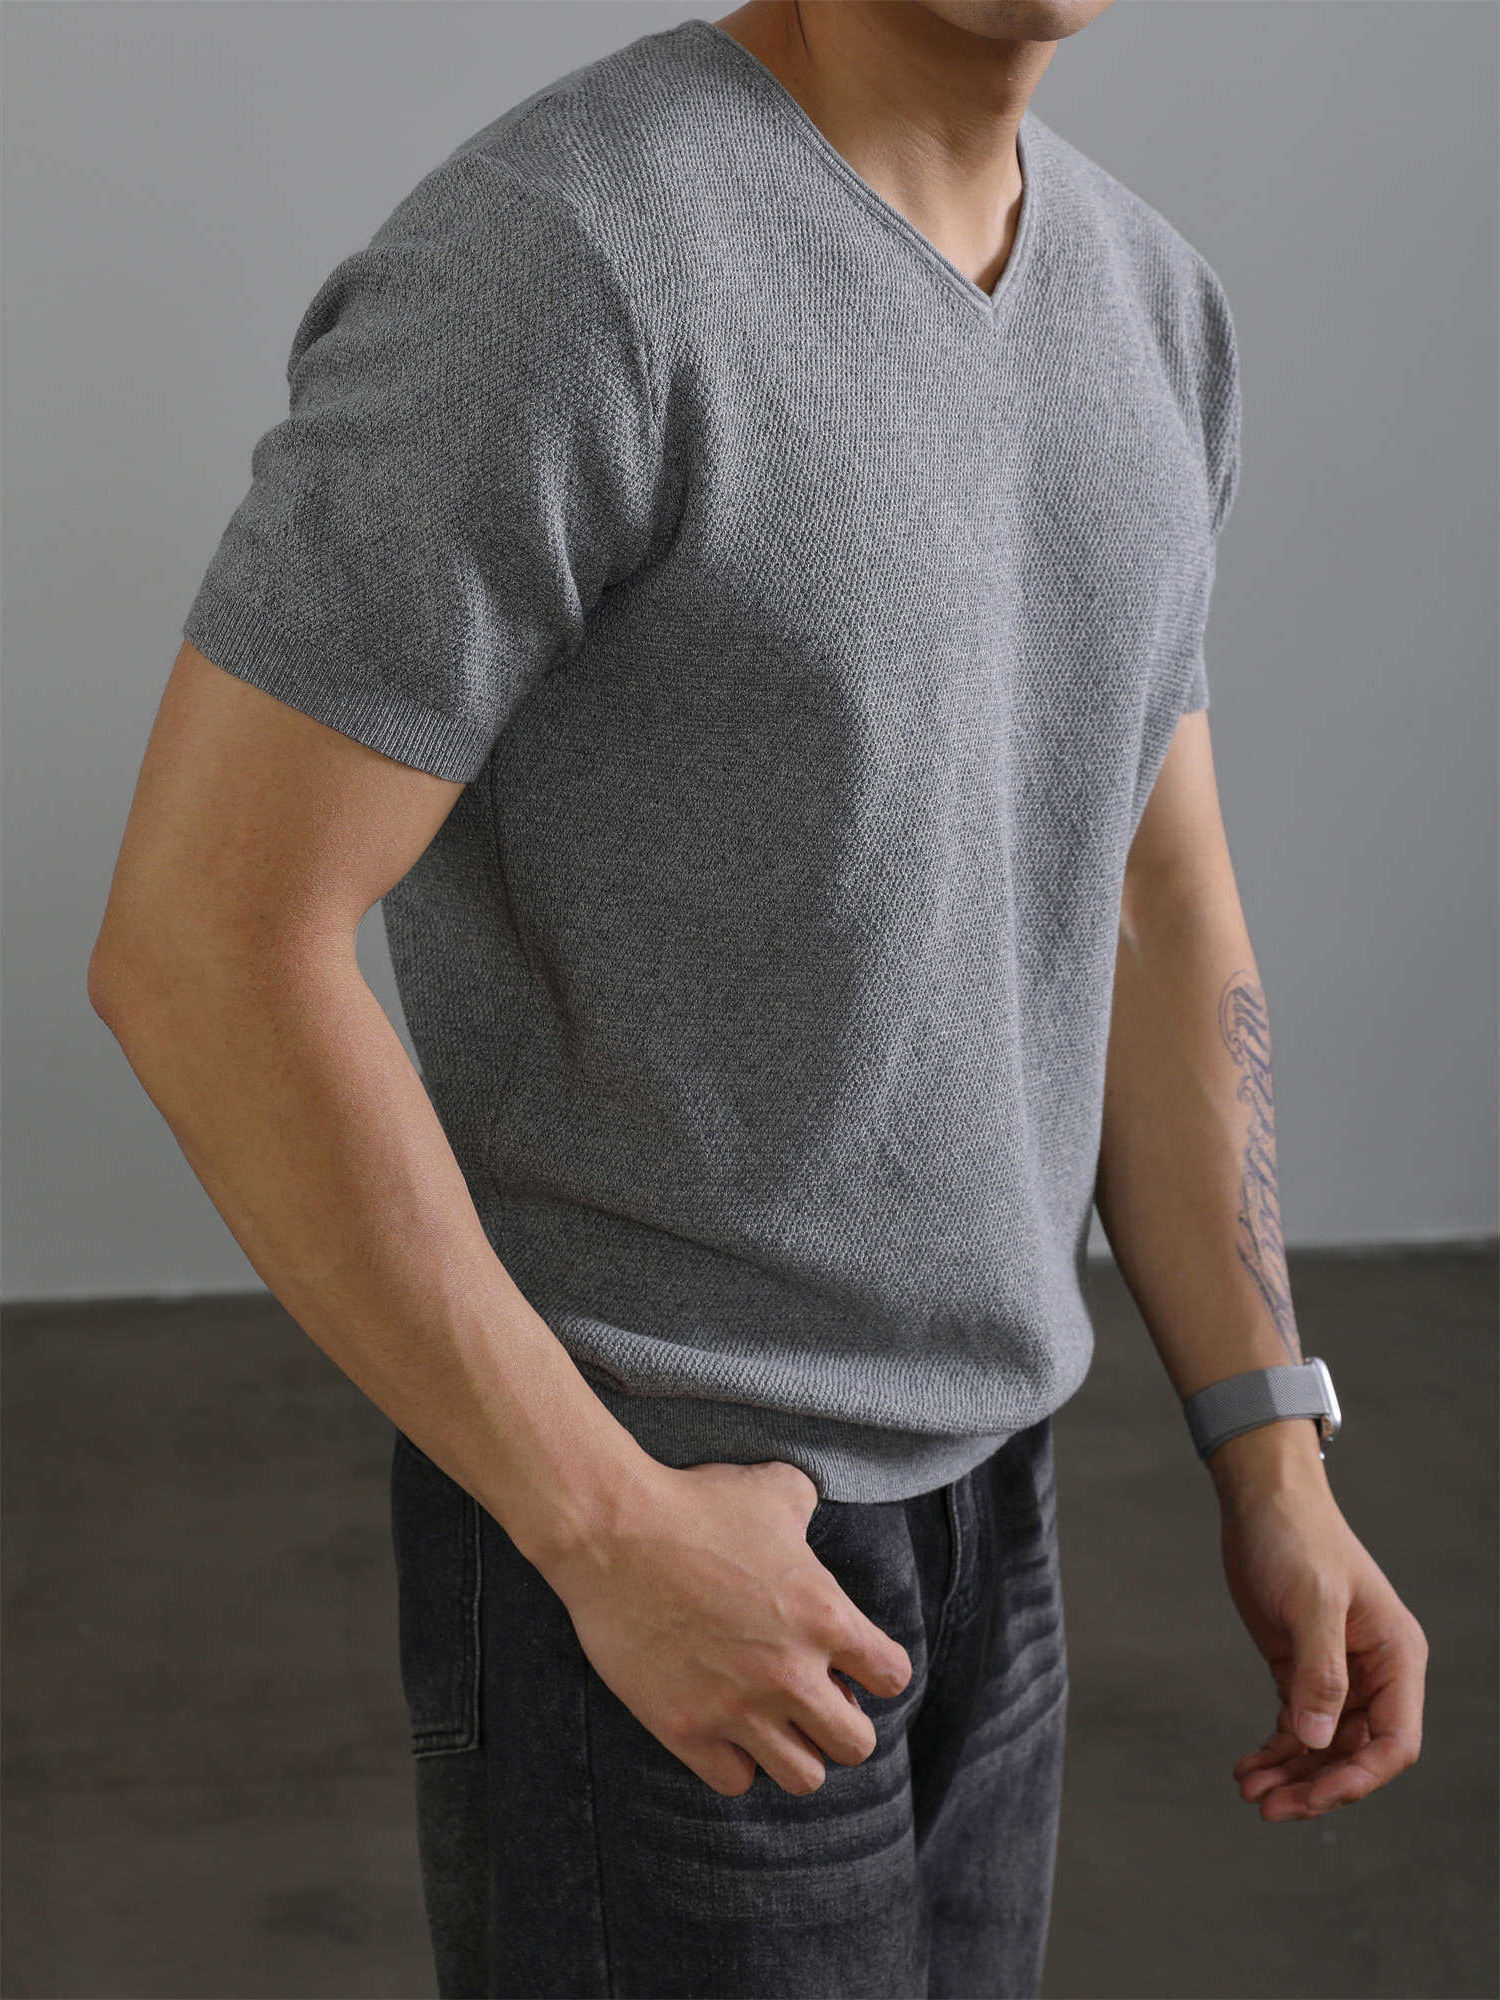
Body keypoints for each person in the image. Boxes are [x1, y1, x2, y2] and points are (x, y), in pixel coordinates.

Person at [88, 3, 1429, 1995]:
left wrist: (1273, 1452)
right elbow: (203, 946)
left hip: (996, 1519)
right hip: (653, 1514)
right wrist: (603, 1528)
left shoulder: (1152, 306)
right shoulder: (565, 258)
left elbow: (1156, 902)